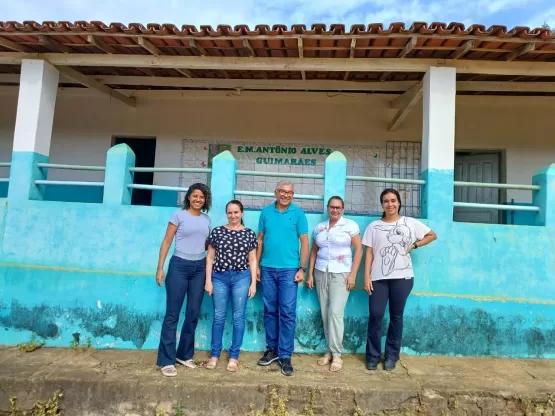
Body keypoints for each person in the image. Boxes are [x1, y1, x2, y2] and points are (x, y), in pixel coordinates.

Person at [362, 188, 437, 371]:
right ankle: (372, 355)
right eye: (386, 201)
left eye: (393, 200)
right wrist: (366, 277)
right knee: (376, 315)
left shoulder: (409, 223)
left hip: (402, 278)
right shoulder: (374, 226)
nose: (390, 204)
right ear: (382, 204)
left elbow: (432, 235)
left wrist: (414, 244)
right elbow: (369, 253)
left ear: (399, 203)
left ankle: (391, 356)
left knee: (396, 316)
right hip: (378, 278)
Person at [155, 183, 212, 377]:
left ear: (205, 200)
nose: (198, 199)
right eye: (195, 196)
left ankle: (184, 355)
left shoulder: (206, 219)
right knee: (173, 314)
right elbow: (166, 241)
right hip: (179, 265)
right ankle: (166, 360)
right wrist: (160, 268)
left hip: (199, 268)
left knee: (193, 312)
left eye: (202, 197)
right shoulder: (178, 216)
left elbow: (206, 246)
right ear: (188, 197)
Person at [256, 180, 309, 376]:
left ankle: (285, 355)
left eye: (290, 192)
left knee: (287, 312)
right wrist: (258, 266)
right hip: (267, 268)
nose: (286, 195)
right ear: (276, 192)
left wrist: (302, 268)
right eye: (282, 191)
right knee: (270, 310)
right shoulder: (265, 213)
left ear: (293, 195)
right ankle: (272, 350)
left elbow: (304, 241)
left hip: (289, 270)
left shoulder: (298, 214)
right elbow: (260, 239)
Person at [307, 195, 363, 372]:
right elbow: (314, 250)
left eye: (338, 207)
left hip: (341, 274)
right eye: (332, 207)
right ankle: (329, 352)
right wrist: (310, 274)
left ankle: (337, 355)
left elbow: (359, 250)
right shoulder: (320, 227)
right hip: (321, 272)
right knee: (325, 313)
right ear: (328, 208)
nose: (335, 210)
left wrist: (353, 274)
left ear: (343, 208)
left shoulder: (350, 226)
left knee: (335, 313)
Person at [204, 200, 258, 372]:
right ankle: (214, 355)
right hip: (219, 277)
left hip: (241, 278)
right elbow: (210, 258)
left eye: (236, 212)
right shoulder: (218, 232)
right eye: (230, 212)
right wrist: (208, 280)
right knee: (219, 316)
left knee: (238, 317)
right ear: (226, 214)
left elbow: (252, 260)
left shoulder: (249, 234)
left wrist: (253, 283)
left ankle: (234, 357)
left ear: (242, 213)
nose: (233, 215)